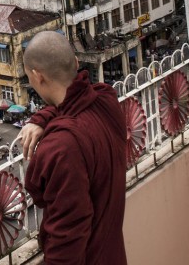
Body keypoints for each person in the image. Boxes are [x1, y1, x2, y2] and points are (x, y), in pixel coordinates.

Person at [18, 31, 127, 265]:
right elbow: (78, 98)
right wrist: (42, 118)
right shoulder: (107, 100)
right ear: (76, 63)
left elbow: (67, 240)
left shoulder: (62, 147)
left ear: (38, 77)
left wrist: (43, 118)